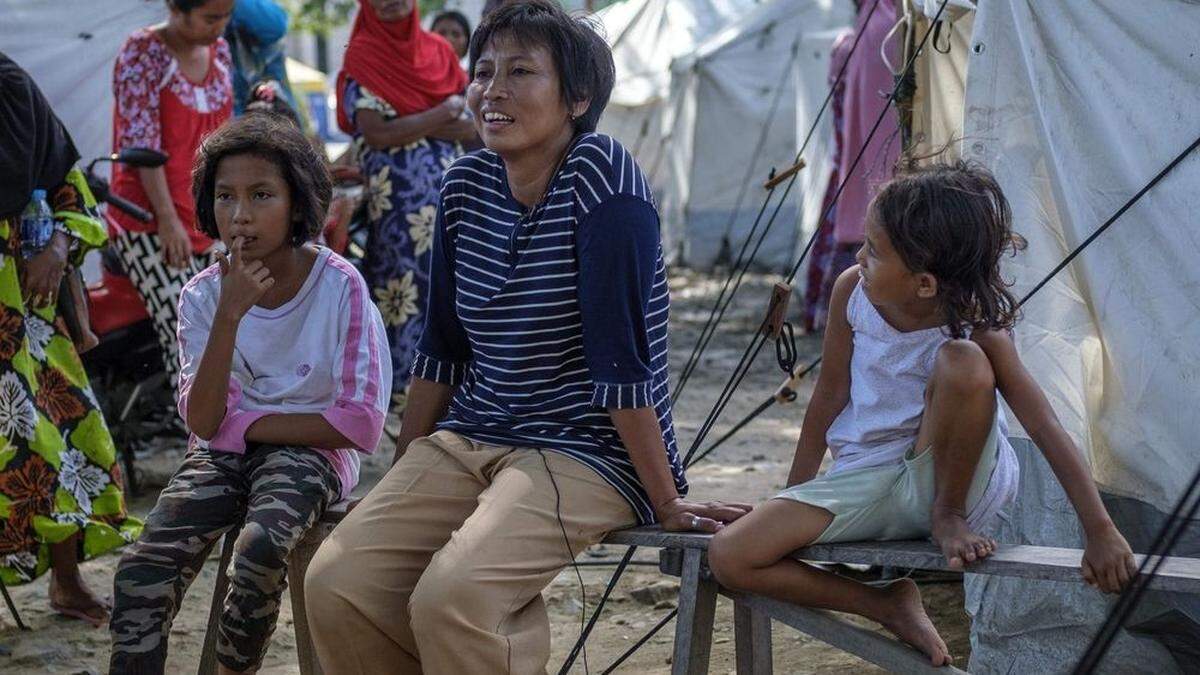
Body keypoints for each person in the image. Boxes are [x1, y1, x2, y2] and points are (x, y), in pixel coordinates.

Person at [304, 3, 750, 672]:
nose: (492, 90)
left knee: (454, 597)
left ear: (577, 97)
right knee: (337, 580)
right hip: (475, 433)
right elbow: (441, 352)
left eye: (520, 72)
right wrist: (400, 482)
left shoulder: (601, 174)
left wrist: (666, 499)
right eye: (482, 72)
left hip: (588, 446)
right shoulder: (464, 185)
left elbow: (621, 364)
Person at [706, 162, 1138, 666]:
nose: (859, 256)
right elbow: (828, 396)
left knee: (964, 361)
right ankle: (883, 603)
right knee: (729, 555)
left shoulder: (979, 329)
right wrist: (793, 493)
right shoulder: (852, 292)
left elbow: (1043, 424)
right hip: (868, 479)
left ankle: (946, 517)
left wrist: (1099, 529)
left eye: (874, 251)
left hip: (953, 483)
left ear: (926, 283)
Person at [109, 113, 389, 673]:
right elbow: (208, 421)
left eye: (262, 195)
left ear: (298, 202)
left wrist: (243, 425)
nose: (240, 215)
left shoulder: (339, 286)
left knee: (259, 548)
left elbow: (358, 425)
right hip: (220, 457)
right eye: (225, 197)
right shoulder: (202, 297)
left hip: (311, 455)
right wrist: (230, 316)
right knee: (142, 566)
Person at [0, 52, 142, 626]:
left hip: (30, 322)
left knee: (67, 444)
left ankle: (67, 582)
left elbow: (73, 192)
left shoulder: (11, 87)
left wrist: (58, 248)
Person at [336, 0, 476, 413]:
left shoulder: (437, 51)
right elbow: (377, 133)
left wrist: (413, 121)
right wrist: (440, 112)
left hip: (451, 189)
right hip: (395, 197)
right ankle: (400, 385)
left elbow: (470, 124)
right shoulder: (363, 53)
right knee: (400, 282)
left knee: (452, 279)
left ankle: (454, 381)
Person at [109, 0, 235, 391]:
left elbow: (224, 137)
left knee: (232, 329)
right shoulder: (143, 52)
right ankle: (201, 440)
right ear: (175, 10)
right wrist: (167, 220)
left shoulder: (221, 53)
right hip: (149, 218)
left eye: (226, 17)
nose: (220, 27)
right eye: (210, 18)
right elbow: (142, 147)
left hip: (205, 212)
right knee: (189, 336)